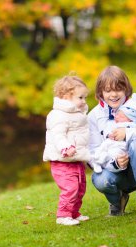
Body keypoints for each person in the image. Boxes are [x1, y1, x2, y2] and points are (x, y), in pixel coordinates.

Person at [87, 66, 136, 224]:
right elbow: (93, 154)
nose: (114, 94)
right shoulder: (94, 116)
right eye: (108, 90)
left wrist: (129, 134)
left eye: (118, 89)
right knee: (100, 179)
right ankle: (117, 201)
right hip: (114, 170)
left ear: (126, 89)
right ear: (100, 93)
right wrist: (115, 163)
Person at [43, 74, 91, 226]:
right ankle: (63, 215)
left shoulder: (77, 113)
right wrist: (66, 147)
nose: (84, 101)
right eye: (80, 97)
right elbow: (58, 135)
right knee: (70, 188)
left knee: (81, 188)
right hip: (62, 160)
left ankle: (74, 213)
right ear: (65, 96)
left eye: (84, 97)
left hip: (76, 159)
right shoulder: (58, 115)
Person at [91, 93, 136, 174]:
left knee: (114, 153)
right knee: (101, 149)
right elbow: (107, 131)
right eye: (117, 115)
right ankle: (97, 162)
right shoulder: (112, 123)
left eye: (121, 116)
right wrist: (109, 134)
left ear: (130, 119)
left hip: (120, 146)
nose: (117, 117)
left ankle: (104, 159)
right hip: (110, 142)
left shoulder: (131, 124)